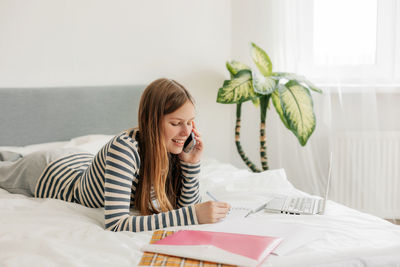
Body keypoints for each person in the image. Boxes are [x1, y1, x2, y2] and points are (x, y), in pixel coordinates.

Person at [0, 78, 231, 232]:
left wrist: (191, 165)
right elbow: (116, 224)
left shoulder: (172, 149)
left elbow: (185, 205)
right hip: (50, 172)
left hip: (78, 160)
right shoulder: (125, 148)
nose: (186, 131)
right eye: (176, 123)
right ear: (152, 122)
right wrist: (192, 216)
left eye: (190, 122)